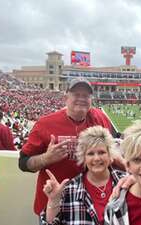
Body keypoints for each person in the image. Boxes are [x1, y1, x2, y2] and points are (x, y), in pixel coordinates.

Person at [18, 77, 114, 217]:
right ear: (66, 97)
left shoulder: (99, 118)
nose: (81, 98)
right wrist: (46, 158)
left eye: (86, 95)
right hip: (54, 203)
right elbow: (23, 163)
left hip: (90, 204)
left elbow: (111, 152)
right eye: (76, 94)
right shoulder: (45, 124)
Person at [40, 125, 125, 225]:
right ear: (83, 157)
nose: (96, 158)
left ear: (110, 154)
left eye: (101, 152)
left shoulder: (126, 182)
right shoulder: (69, 190)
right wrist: (54, 201)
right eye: (90, 154)